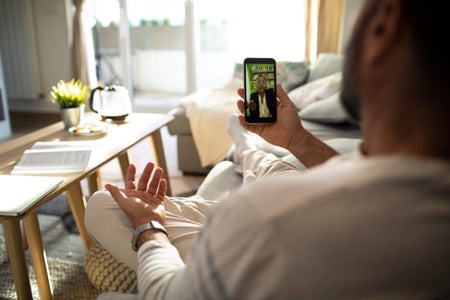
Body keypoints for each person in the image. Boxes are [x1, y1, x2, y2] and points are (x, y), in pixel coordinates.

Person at [87, 0, 450, 298]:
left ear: (383, 26)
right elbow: (374, 194)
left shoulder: (267, 215)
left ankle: (243, 147)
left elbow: (166, 294)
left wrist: (149, 226)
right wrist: (296, 140)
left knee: (103, 220)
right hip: (265, 213)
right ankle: (245, 146)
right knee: (264, 164)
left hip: (252, 230)